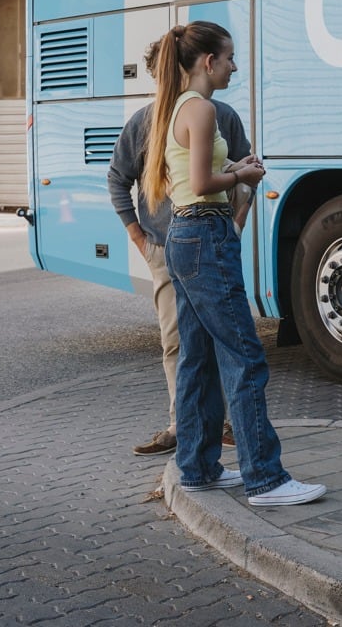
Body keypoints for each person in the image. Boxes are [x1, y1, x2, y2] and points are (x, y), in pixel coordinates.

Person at [140, 21, 325, 507]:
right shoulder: (200, 109)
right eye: (228, 58)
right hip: (205, 232)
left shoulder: (176, 106)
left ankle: (198, 467)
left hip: (186, 235)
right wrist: (242, 172)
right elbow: (202, 181)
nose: (234, 66)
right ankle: (266, 478)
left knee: (198, 360)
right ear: (207, 62)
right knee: (244, 357)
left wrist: (235, 173)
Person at [110, 37, 252, 457]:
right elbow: (119, 179)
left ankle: (205, 438)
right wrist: (139, 237)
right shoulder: (148, 120)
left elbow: (243, 168)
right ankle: (186, 428)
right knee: (183, 342)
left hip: (206, 237)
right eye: (229, 60)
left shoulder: (219, 114)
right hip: (170, 244)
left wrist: (235, 225)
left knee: (211, 342)